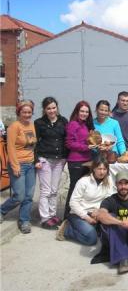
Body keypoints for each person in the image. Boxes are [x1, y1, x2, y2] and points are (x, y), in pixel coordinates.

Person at [56, 157, 116, 245]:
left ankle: (94, 229)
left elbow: (109, 199)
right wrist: (86, 217)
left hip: (97, 213)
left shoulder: (109, 181)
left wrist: (100, 211)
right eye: (99, 169)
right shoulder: (84, 182)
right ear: (94, 169)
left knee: (113, 223)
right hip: (79, 214)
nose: (102, 172)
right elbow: (73, 203)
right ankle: (67, 229)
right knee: (91, 238)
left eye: (104, 169)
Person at [0, 100, 37, 233]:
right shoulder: (14, 127)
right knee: (19, 196)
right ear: (19, 112)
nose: (27, 114)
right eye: (24, 112)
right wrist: (15, 166)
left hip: (31, 165)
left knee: (29, 196)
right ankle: (2, 210)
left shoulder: (32, 125)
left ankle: (24, 220)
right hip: (18, 165)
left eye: (29, 112)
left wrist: (36, 161)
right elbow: (10, 148)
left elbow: (33, 146)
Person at [34, 97, 69, 230]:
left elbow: (66, 139)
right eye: (48, 108)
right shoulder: (39, 123)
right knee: (46, 190)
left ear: (57, 107)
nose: (51, 110)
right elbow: (34, 143)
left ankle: (52, 214)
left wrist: (65, 157)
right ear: (44, 110)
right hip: (45, 159)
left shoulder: (63, 121)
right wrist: (36, 160)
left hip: (59, 160)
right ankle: (45, 218)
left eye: (53, 108)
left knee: (54, 190)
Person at [64, 101, 95, 219]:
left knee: (82, 191)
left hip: (87, 160)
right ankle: (67, 217)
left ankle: (77, 215)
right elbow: (69, 143)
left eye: (87, 112)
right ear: (77, 111)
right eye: (82, 111)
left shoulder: (86, 125)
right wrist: (86, 147)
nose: (84, 114)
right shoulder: (73, 124)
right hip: (76, 161)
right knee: (74, 190)